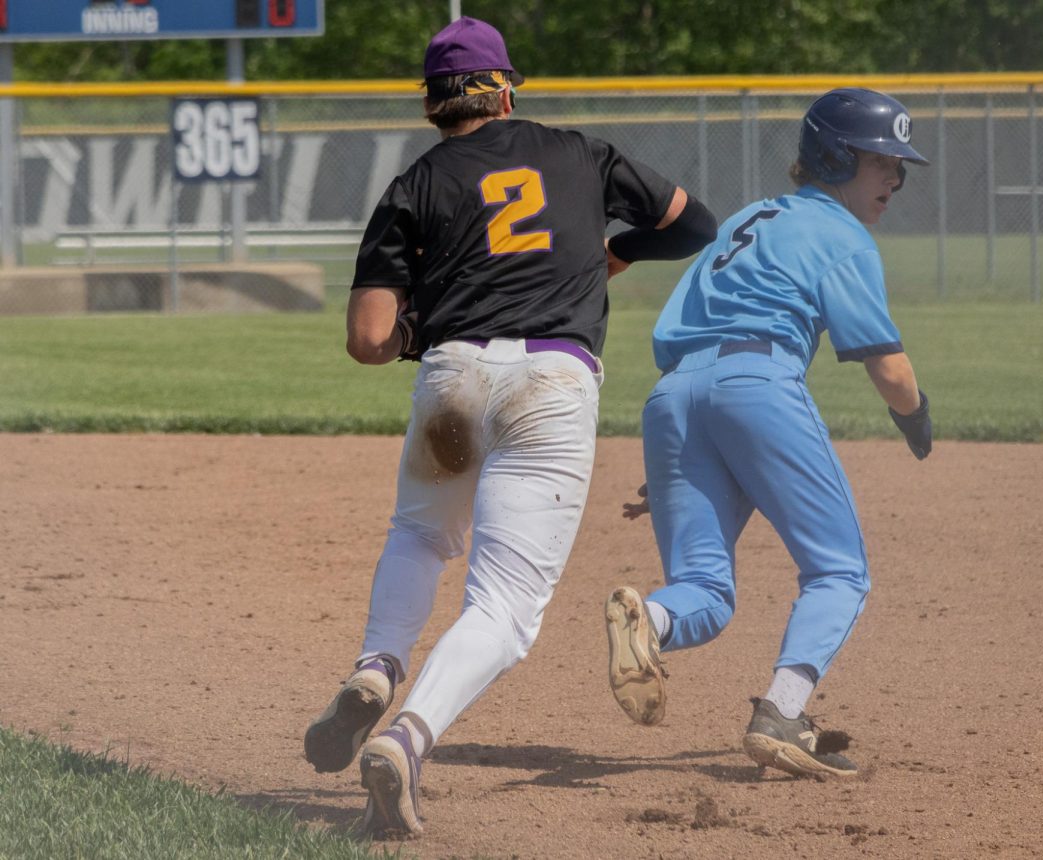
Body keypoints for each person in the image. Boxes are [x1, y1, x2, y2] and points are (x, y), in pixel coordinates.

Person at [302, 16, 716, 839]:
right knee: (504, 604)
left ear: (434, 103)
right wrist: (613, 256)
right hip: (553, 384)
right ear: (505, 87)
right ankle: (409, 740)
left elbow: (369, 339)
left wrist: (426, 329)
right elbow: (693, 223)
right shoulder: (580, 152)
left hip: (454, 379)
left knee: (421, 535)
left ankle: (378, 664)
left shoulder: (412, 186)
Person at [604, 87, 933, 778]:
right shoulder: (842, 234)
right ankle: (782, 710)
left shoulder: (751, 217)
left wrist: (686, 461)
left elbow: (703, 346)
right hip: (756, 387)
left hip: (674, 400)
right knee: (839, 571)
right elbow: (891, 371)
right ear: (837, 157)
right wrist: (917, 419)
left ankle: (649, 621)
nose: (896, 181)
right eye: (883, 164)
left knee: (703, 590)